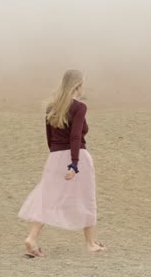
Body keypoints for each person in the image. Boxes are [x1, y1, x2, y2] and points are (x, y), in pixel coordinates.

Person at [18, 69, 106, 257]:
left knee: (48, 198)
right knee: (87, 198)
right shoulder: (79, 108)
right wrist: (74, 164)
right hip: (77, 157)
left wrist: (57, 159)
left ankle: (32, 238)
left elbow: (49, 139)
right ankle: (90, 244)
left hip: (54, 157)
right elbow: (75, 136)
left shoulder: (51, 107)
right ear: (77, 86)